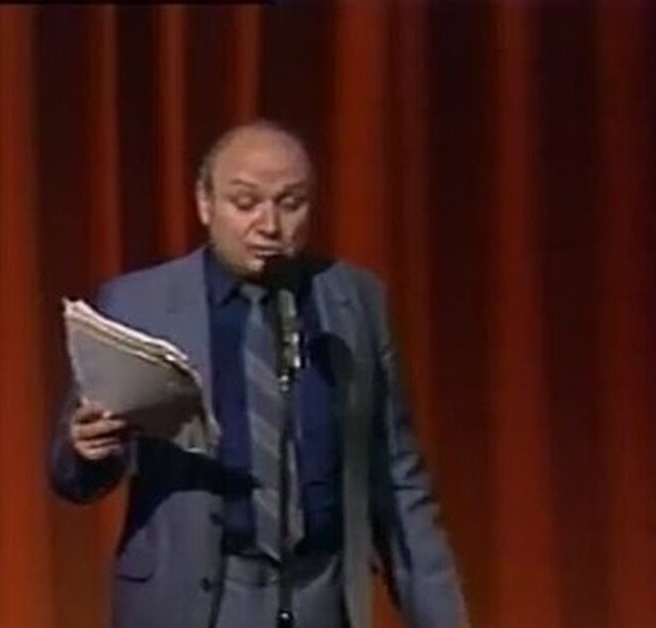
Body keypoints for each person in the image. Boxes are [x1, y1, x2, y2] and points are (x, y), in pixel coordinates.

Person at [48, 120, 468, 628]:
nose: (269, 225)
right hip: (194, 602)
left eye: (291, 204)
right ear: (205, 203)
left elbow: (399, 480)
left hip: (318, 598)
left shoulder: (356, 301)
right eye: (245, 203)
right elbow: (73, 476)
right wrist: (87, 451)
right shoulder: (140, 303)